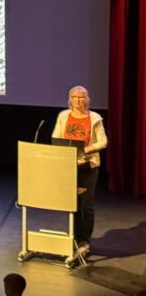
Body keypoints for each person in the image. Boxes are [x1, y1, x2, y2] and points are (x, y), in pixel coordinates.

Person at [52, 84, 107, 257]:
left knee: (86, 204)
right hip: (68, 165)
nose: (78, 100)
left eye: (81, 97)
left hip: (87, 166)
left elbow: (103, 142)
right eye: (75, 96)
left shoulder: (94, 118)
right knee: (71, 203)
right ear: (70, 99)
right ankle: (74, 236)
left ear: (87, 99)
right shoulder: (63, 116)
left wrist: (86, 150)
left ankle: (84, 240)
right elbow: (57, 137)